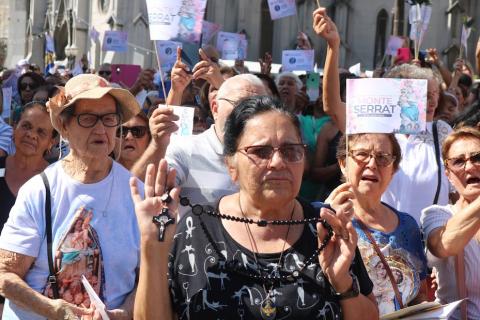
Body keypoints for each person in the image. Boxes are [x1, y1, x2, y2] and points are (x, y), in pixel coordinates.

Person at [132, 96, 378, 319]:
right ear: (231, 164)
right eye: (260, 151)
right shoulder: (194, 231)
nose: (278, 162)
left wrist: (343, 284)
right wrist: (152, 249)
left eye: (291, 151)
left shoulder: (327, 230)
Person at [0, 74, 141, 319]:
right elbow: (4, 274)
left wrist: (124, 313)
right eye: (88, 119)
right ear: (64, 127)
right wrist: (53, 309)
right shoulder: (39, 190)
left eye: (109, 119)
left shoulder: (137, 193)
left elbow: (152, 275)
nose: (100, 128)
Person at [315, 7, 452, 224]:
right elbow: (332, 105)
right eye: (423, 94)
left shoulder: (441, 131)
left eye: (434, 94)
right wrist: (333, 47)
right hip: (377, 235)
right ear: (397, 93)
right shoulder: (375, 126)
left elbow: (455, 190)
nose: (431, 101)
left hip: (430, 245)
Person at [131, 73, 267, 217]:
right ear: (215, 108)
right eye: (241, 105)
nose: (251, 114)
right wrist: (157, 146)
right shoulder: (184, 149)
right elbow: (139, 188)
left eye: (260, 107)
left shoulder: (275, 156)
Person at [335, 133, 428, 315]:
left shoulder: (408, 226)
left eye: (383, 157)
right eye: (361, 154)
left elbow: (420, 295)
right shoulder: (326, 221)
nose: (372, 164)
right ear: (343, 164)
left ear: (393, 169)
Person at [421, 126, 480, 319]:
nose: (470, 167)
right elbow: (444, 245)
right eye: (458, 162)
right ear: (447, 173)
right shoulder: (437, 215)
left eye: (477, 157)